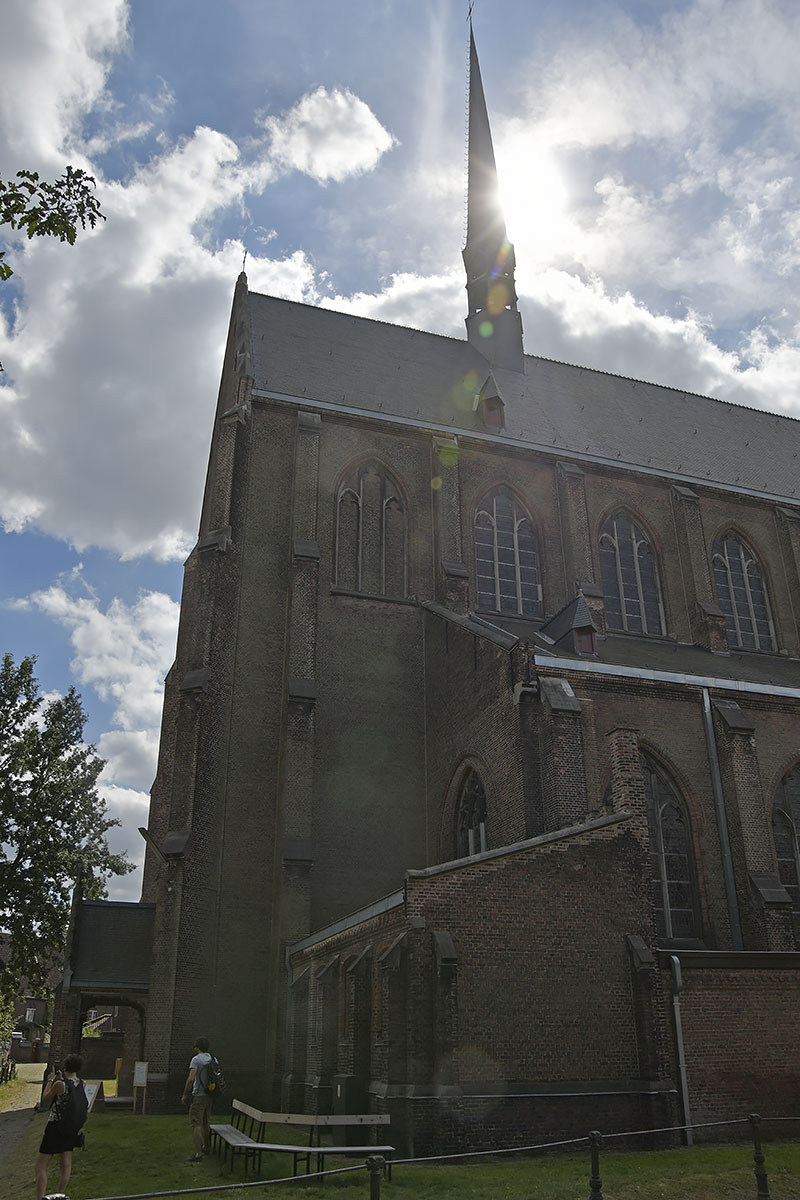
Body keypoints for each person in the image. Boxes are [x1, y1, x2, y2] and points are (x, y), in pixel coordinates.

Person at [35, 1053, 85, 1200]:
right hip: (71, 1128)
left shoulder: (60, 1085)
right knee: (66, 1164)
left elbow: (45, 1098)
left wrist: (50, 1080)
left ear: (65, 1067)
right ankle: (61, 1194)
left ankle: (41, 1197)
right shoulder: (81, 1084)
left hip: (55, 1127)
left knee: (41, 1165)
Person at [182, 1037, 213, 1161]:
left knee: (196, 1123)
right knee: (206, 1122)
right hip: (209, 1095)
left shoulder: (196, 1060)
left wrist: (185, 1094)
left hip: (199, 1095)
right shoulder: (212, 1058)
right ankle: (207, 1147)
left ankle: (198, 1154)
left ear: (197, 1047)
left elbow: (191, 1079)